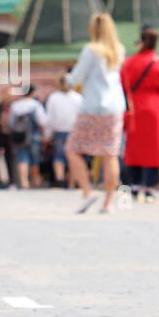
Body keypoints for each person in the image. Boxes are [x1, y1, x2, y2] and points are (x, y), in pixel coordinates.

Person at [61, 13, 127, 213]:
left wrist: (67, 79)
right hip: (114, 108)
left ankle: (87, 192)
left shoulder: (90, 50)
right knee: (110, 154)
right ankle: (108, 203)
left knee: (72, 149)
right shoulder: (119, 50)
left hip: (92, 107)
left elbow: (77, 78)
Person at [121, 27, 159, 202]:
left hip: (134, 107)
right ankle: (149, 185)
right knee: (154, 149)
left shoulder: (129, 62)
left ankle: (134, 184)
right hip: (156, 109)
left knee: (134, 147)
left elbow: (122, 84)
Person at [6, 84, 48, 189]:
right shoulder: (35, 105)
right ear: (32, 93)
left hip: (20, 136)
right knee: (34, 159)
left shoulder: (15, 105)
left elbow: (10, 122)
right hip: (34, 135)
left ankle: (24, 182)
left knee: (22, 158)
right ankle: (34, 181)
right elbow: (42, 121)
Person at [44, 74, 81, 188]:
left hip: (70, 131)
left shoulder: (54, 97)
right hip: (61, 130)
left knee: (70, 158)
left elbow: (49, 117)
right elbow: (49, 117)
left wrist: (47, 133)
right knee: (61, 157)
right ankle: (62, 179)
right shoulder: (78, 98)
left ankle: (69, 181)